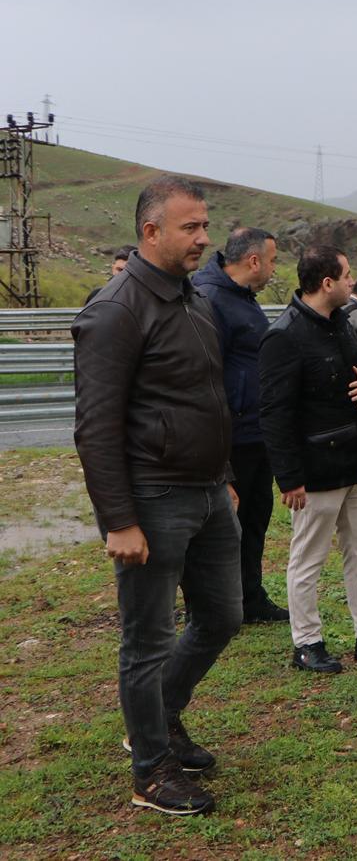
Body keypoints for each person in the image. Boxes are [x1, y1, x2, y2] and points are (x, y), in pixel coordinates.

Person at [73, 175, 242, 817]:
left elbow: (206, 396)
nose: (205, 237)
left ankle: (161, 717)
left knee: (222, 616)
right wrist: (119, 519)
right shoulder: (117, 309)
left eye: (205, 225)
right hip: (152, 496)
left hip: (205, 490)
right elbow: (95, 425)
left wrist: (223, 474)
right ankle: (150, 771)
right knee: (146, 639)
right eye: (190, 228)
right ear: (151, 232)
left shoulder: (191, 298)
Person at [259, 246, 357, 674]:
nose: (351, 281)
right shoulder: (283, 336)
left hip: (356, 463)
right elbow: (274, 413)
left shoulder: (343, 324)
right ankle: (306, 643)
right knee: (308, 558)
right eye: (346, 275)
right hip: (315, 471)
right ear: (326, 283)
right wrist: (289, 477)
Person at [194, 227, 286, 625]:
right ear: (253, 261)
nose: (274, 269)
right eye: (273, 260)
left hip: (255, 432)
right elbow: (205, 378)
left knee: (254, 519)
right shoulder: (211, 299)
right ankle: (211, 606)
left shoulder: (241, 298)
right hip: (230, 437)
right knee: (222, 527)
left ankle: (249, 597)